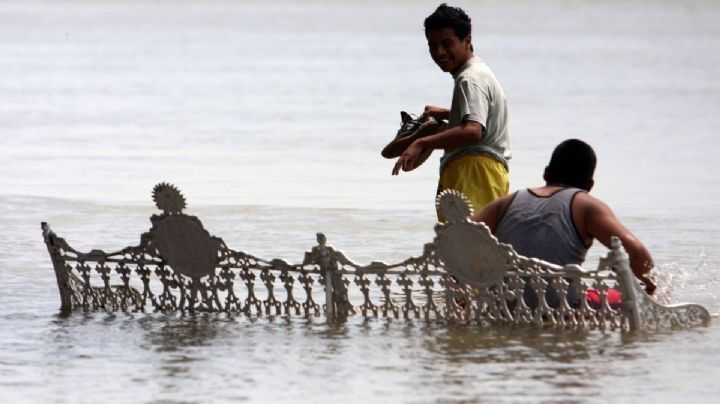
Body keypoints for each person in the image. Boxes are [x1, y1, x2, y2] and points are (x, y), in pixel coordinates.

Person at [471, 139, 657, 298]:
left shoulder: (506, 202)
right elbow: (639, 255)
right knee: (617, 295)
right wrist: (651, 288)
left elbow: (458, 239)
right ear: (589, 185)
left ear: (546, 173)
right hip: (562, 309)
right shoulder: (587, 206)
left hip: (504, 304)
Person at [391, 3, 511, 220]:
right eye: (432, 45)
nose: (439, 52)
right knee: (477, 247)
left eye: (447, 44)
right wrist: (450, 113)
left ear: (467, 40)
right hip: (487, 174)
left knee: (463, 244)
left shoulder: (469, 79)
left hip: (473, 172)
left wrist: (422, 143)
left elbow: (473, 131)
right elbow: (483, 119)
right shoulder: (479, 72)